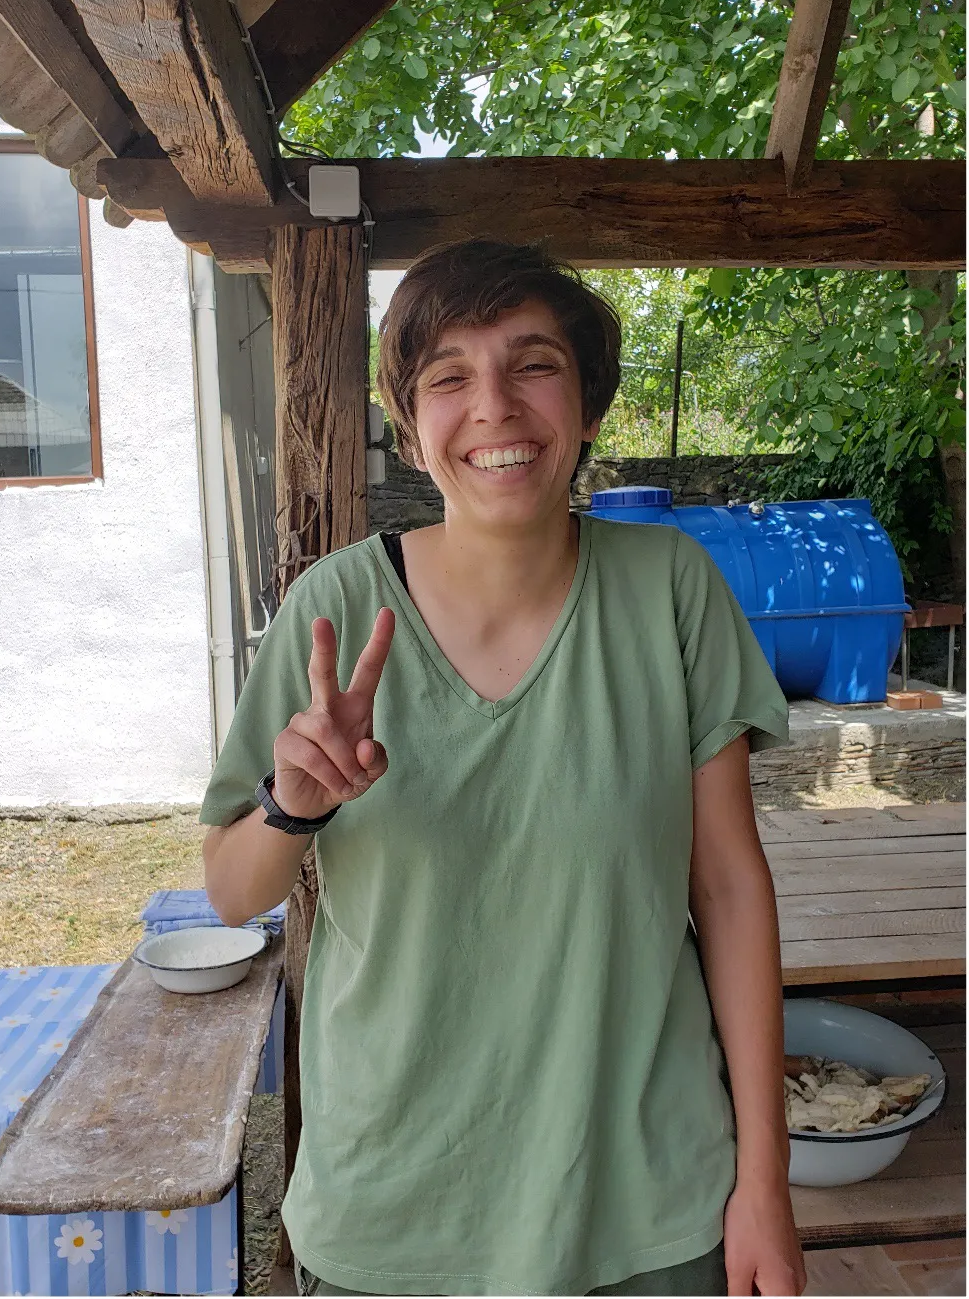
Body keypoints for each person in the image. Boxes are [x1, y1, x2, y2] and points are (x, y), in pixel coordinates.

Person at [200, 239, 807, 1298]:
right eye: (449, 376)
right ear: (411, 423)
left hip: (647, 1201)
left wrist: (766, 1179)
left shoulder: (670, 590)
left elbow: (729, 885)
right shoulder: (334, 610)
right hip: (395, 1210)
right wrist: (291, 806)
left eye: (533, 363)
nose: (494, 405)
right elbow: (229, 889)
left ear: (586, 404)